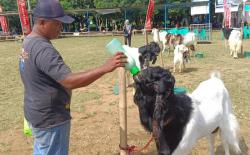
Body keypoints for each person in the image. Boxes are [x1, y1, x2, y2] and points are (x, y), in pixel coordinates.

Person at [19, 0, 127, 155]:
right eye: (57, 23)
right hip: (50, 118)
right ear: (42, 22)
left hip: (36, 113)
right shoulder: (43, 49)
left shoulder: (28, 42)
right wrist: (104, 68)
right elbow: (69, 81)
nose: (61, 26)